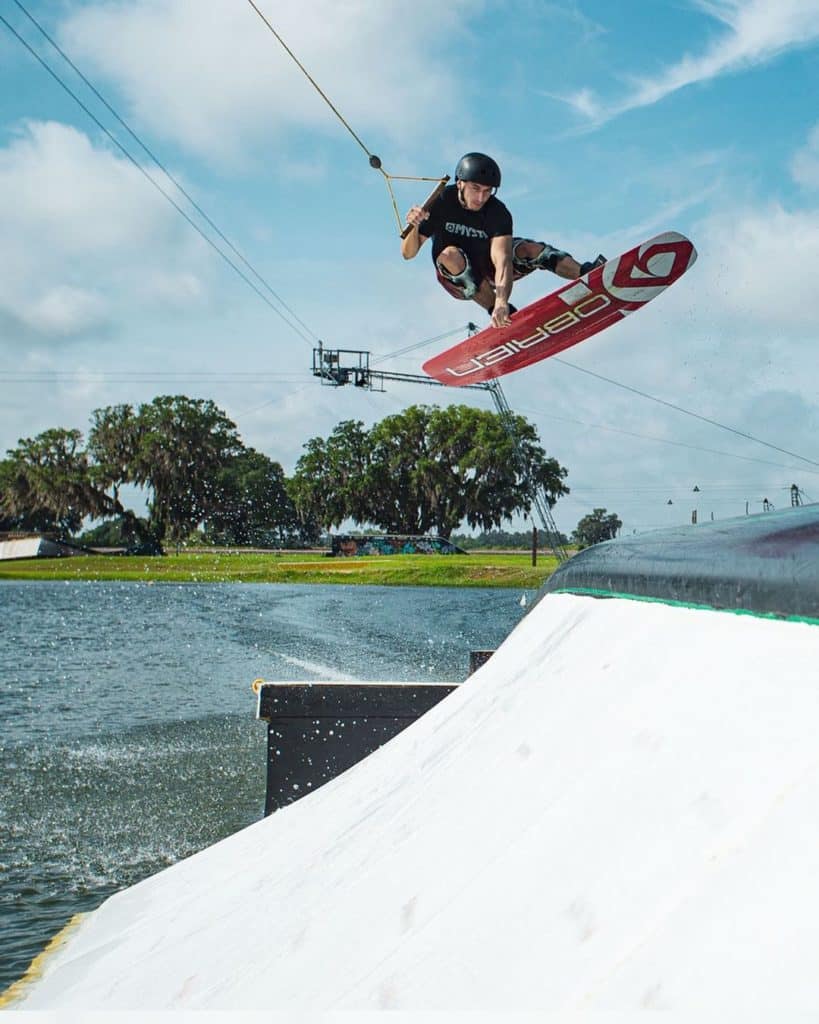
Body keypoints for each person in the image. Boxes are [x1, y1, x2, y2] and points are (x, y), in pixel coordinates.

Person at [401, 152, 605, 329]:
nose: (481, 198)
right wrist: (415, 226)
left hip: (488, 266)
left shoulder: (497, 211)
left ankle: (589, 275)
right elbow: (407, 253)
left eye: (487, 191)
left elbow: (502, 260)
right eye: (475, 188)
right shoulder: (441, 201)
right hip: (457, 279)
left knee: (529, 249)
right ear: (460, 183)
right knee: (449, 255)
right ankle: (498, 313)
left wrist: (502, 299)